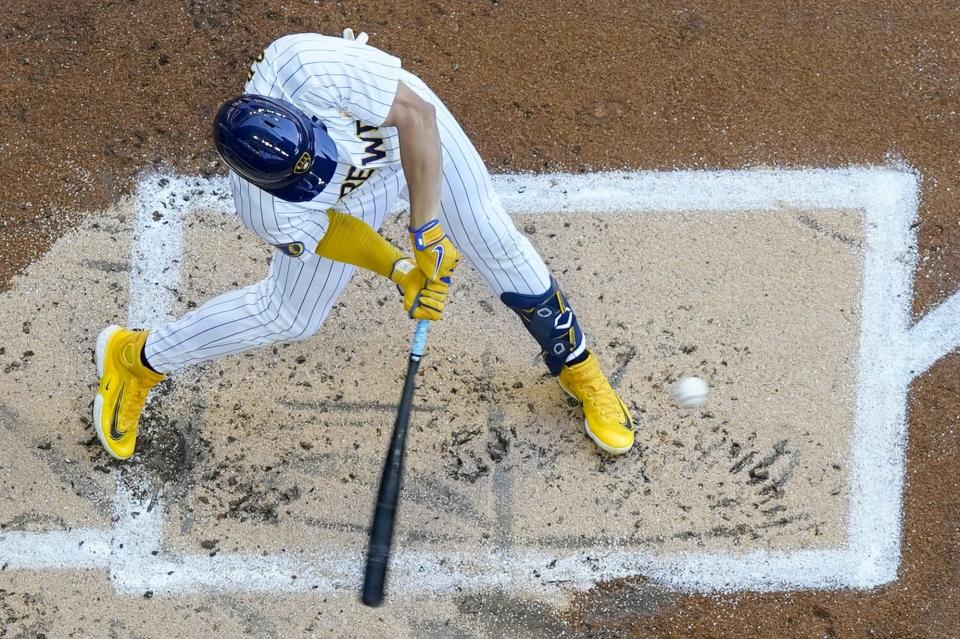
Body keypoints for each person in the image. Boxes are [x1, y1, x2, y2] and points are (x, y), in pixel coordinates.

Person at [92, 29, 634, 462]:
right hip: (347, 204)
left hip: (408, 138)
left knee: (490, 234)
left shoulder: (308, 67)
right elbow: (327, 231)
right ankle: (136, 359)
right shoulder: (264, 209)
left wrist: (426, 231)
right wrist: (400, 270)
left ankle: (577, 368)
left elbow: (416, 115)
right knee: (289, 315)